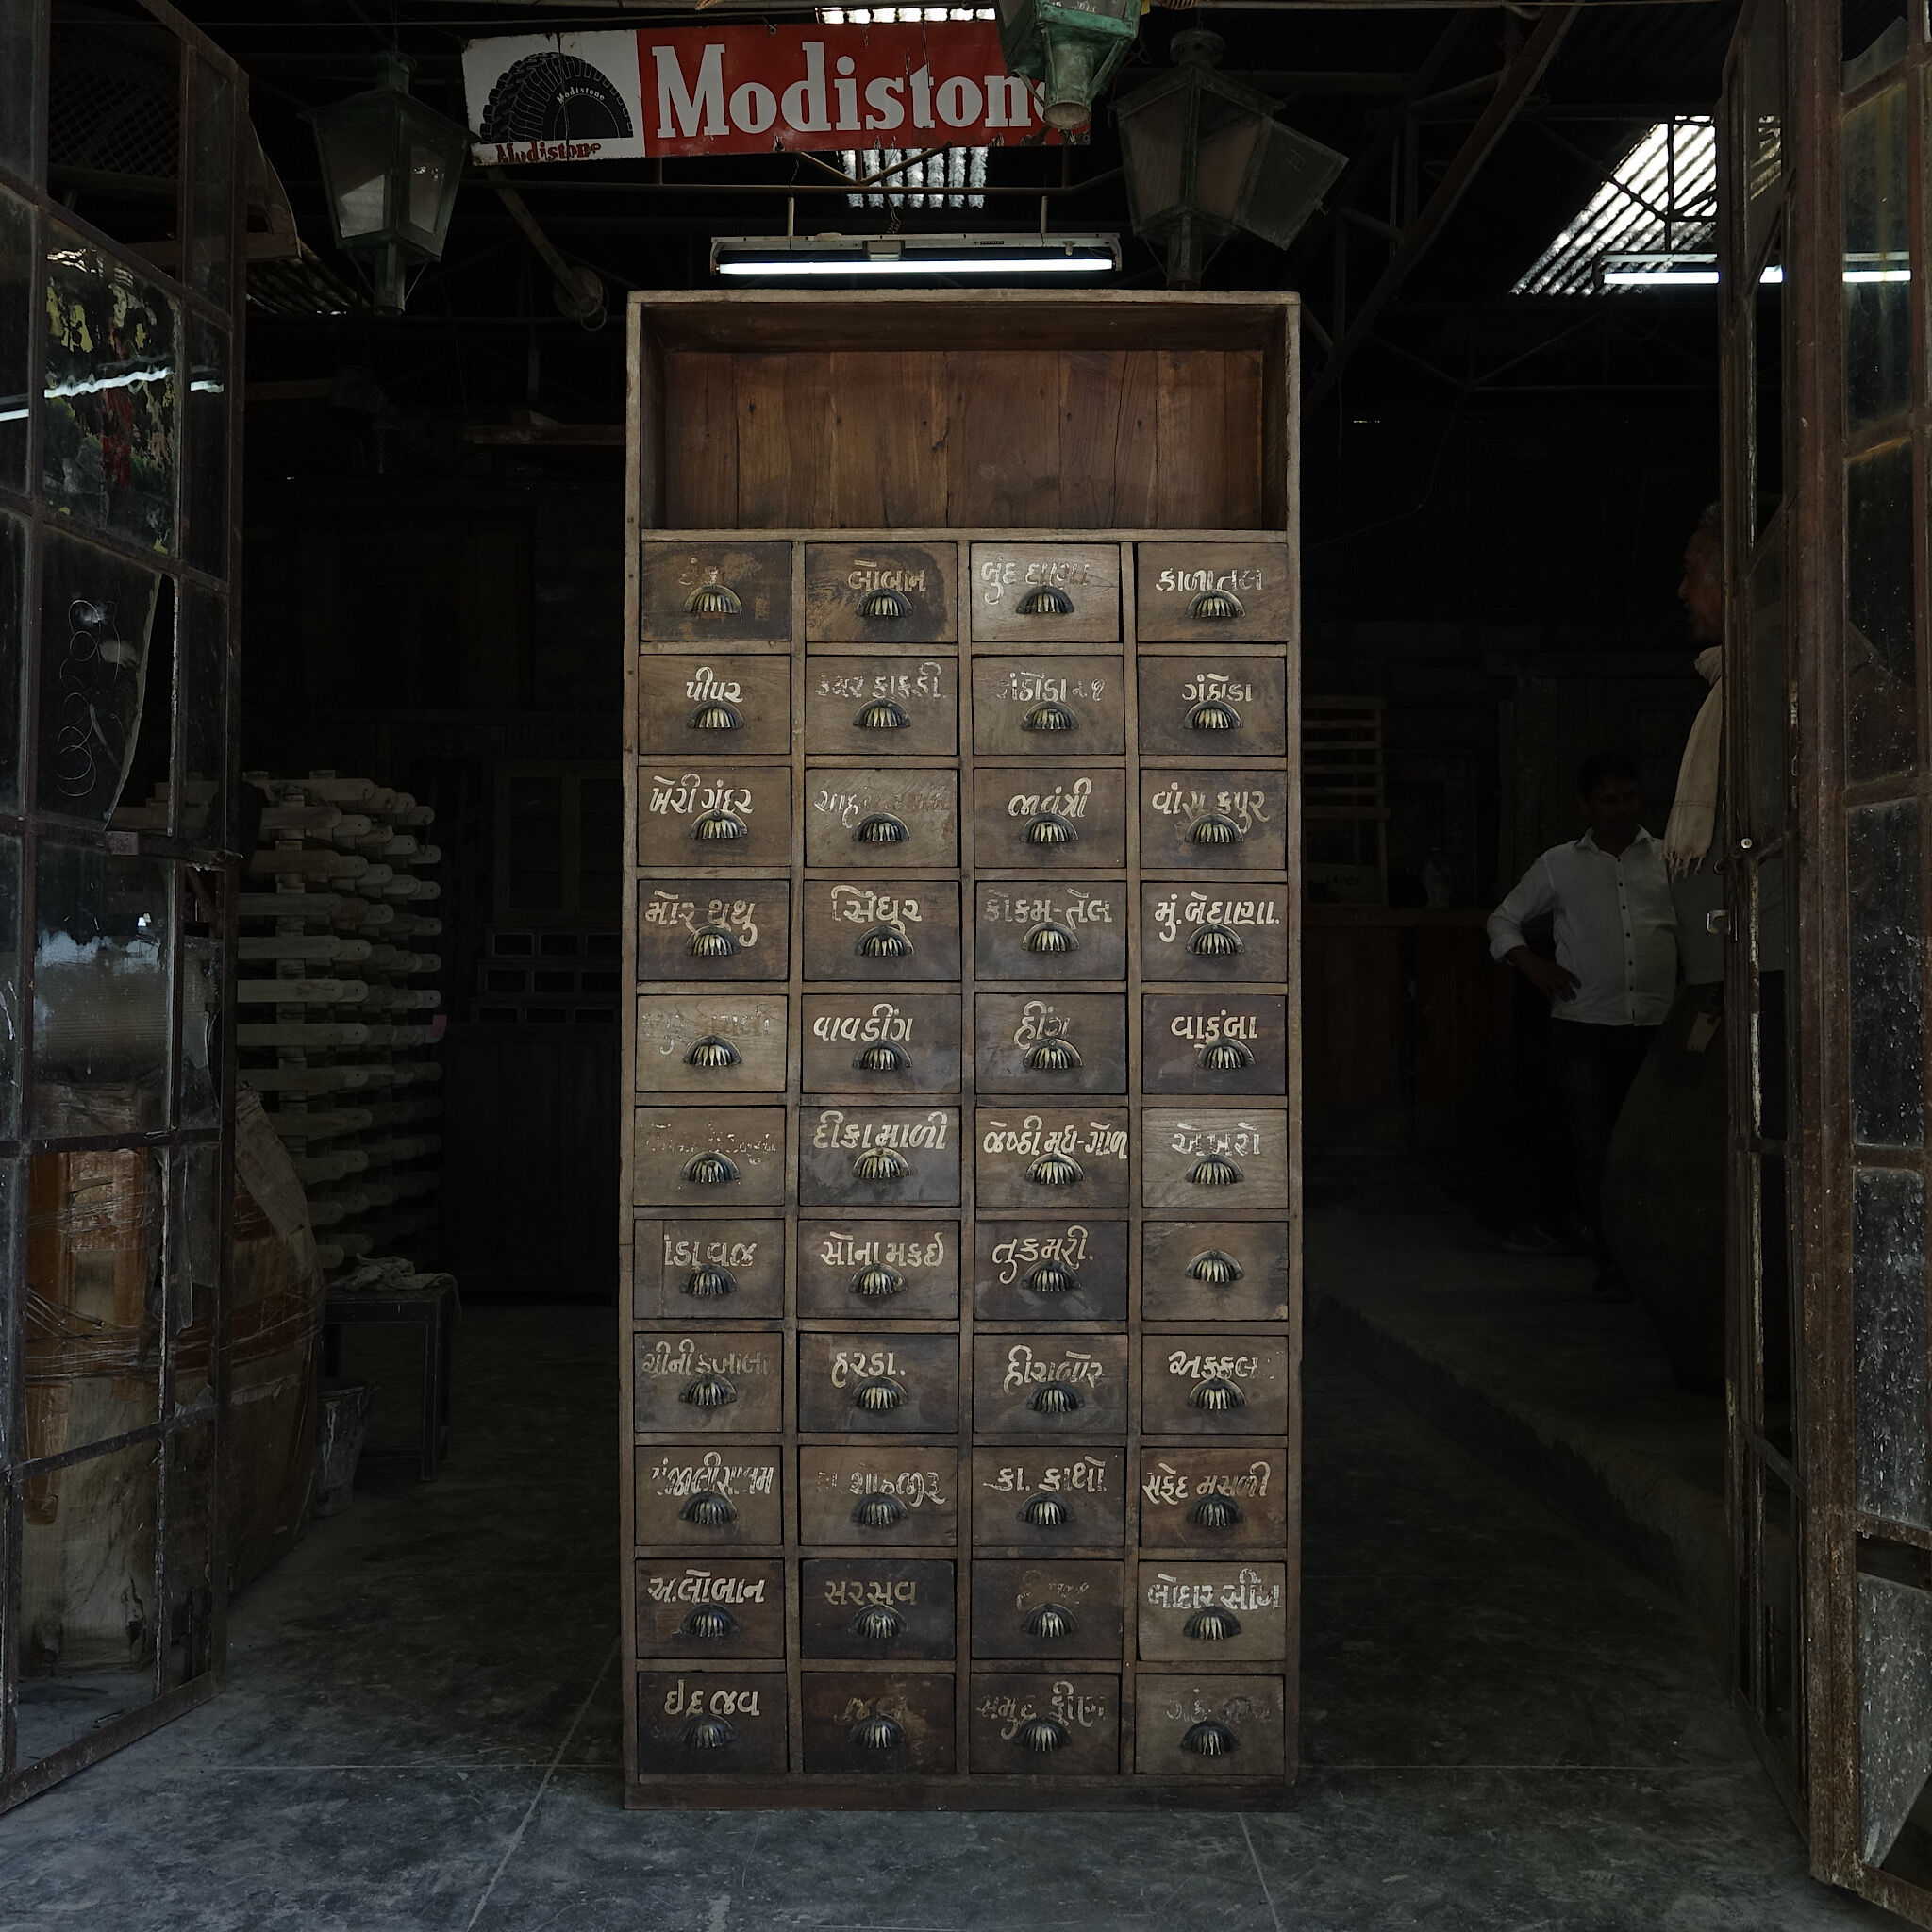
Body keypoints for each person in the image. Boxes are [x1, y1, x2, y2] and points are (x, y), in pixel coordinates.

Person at [1487, 753, 1679, 1300]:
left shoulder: (1668, 859)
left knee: (1649, 1149)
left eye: (1627, 797)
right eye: (1607, 799)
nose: (1619, 809)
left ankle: (1653, 1257)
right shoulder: (1559, 864)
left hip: (1656, 1026)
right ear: (1586, 805)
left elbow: (1694, 926)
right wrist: (1532, 964)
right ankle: (1613, 1263)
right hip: (1585, 1027)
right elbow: (1502, 919)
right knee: (1594, 1148)